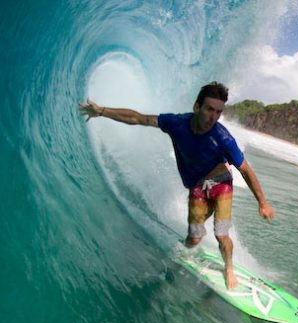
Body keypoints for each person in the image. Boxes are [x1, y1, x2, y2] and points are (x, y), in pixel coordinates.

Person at [79, 82, 275, 289]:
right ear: (196, 107)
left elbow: (245, 169)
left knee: (221, 233)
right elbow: (139, 118)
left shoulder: (223, 137)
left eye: (219, 112)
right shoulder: (177, 123)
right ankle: (186, 252)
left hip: (221, 185)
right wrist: (101, 111)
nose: (214, 117)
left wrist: (262, 203)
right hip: (198, 188)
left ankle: (229, 268)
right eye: (209, 109)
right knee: (194, 239)